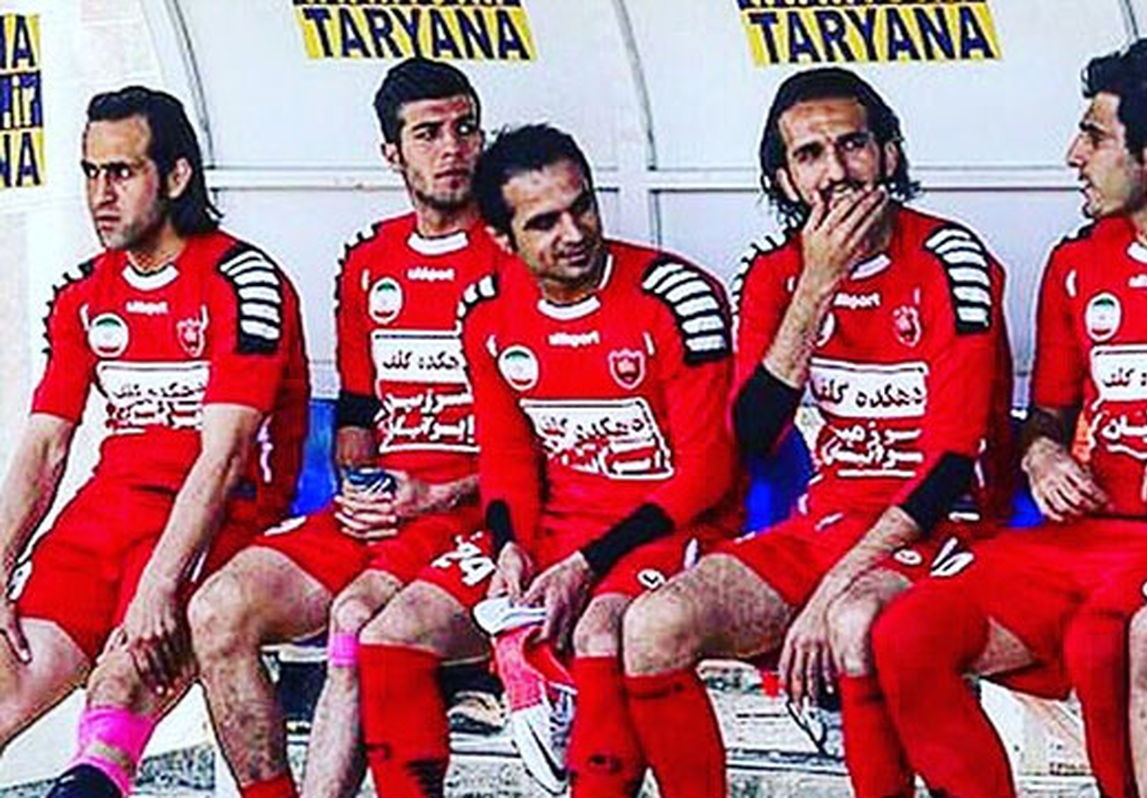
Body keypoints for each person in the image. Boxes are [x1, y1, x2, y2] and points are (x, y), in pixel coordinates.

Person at [619, 66, 1014, 798]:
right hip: (828, 525)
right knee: (653, 625)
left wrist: (830, 592)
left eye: (853, 145)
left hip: (942, 531)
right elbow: (750, 436)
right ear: (784, 178)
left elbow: (954, 466)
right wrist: (817, 285)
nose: (836, 172)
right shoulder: (775, 273)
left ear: (888, 153)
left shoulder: (951, 259)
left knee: (856, 622)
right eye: (809, 155)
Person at [350, 122, 740, 798]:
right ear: (501, 239)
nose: (575, 232)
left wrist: (584, 565)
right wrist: (509, 546)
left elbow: (708, 473)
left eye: (581, 206)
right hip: (557, 530)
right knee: (391, 637)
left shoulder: (676, 296)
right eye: (544, 222)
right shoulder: (487, 309)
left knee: (600, 635)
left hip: (671, 526)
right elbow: (507, 456)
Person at [869, 37, 1147, 798]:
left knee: (1102, 644)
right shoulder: (1076, 263)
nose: (1072, 156)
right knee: (907, 634)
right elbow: (1047, 414)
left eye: (1093, 137)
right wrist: (1042, 456)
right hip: (1089, 529)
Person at [185, 58, 499, 798]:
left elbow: (548, 438)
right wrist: (360, 488)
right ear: (392, 153)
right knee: (216, 610)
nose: (453, 148)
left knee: (356, 617)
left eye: (465, 129)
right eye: (428, 134)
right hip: (383, 510)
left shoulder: (516, 250)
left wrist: (439, 493)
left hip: (475, 510)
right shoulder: (369, 260)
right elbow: (358, 408)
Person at [0, 86, 309, 798]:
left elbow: (225, 457)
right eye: (91, 173)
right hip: (102, 519)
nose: (101, 195)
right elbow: (45, 446)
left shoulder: (243, 281)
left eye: (122, 172)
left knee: (119, 685)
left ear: (175, 176)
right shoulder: (83, 293)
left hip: (215, 518)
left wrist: (160, 585)